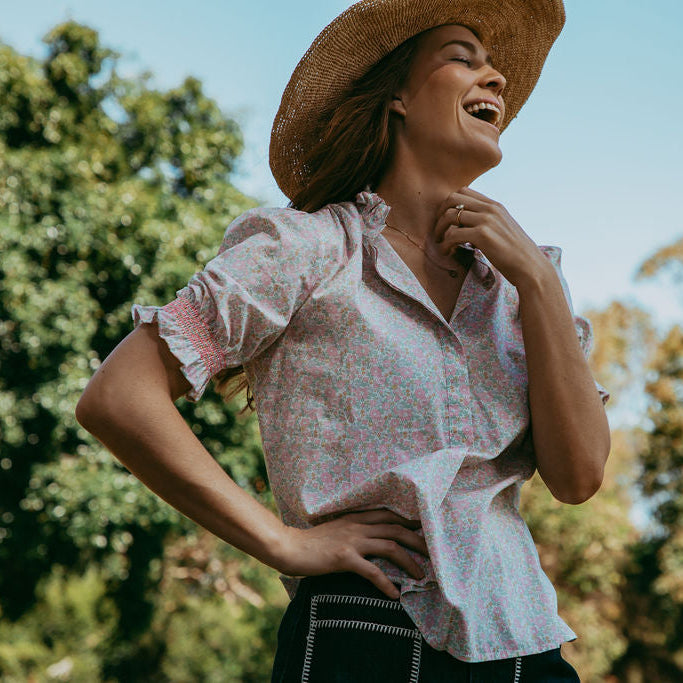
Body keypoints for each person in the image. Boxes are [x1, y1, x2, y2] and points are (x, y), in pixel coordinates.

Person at [75, 0, 611, 680]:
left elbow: (578, 475)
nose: (495, 78)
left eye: (494, 65)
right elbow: (118, 396)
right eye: (460, 56)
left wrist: (536, 279)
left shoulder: (519, 286)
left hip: (527, 648)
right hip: (363, 635)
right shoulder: (302, 249)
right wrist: (280, 541)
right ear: (395, 96)